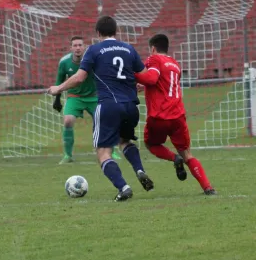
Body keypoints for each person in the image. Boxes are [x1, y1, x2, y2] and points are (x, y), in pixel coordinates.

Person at [48, 16, 154, 201]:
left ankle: (124, 187)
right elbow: (144, 76)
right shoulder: (128, 48)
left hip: (108, 106)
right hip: (131, 106)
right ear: (116, 31)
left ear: (98, 33)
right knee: (125, 141)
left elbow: (79, 77)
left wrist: (58, 88)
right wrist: (137, 85)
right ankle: (139, 170)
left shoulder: (94, 50)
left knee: (103, 152)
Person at [135, 34, 216, 195]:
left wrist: (133, 75)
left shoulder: (154, 59)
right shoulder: (175, 64)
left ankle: (174, 159)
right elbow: (161, 85)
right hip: (178, 115)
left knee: (151, 145)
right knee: (187, 153)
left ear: (153, 48)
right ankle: (208, 188)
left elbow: (151, 79)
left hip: (159, 116)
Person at [53, 36, 121, 164]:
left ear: (84, 47)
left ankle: (113, 151)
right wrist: (57, 100)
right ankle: (68, 155)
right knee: (68, 121)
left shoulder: (92, 60)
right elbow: (59, 81)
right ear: (71, 48)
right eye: (75, 45)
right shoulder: (64, 62)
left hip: (94, 96)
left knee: (105, 122)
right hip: (75, 97)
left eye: (80, 45)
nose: (78, 48)